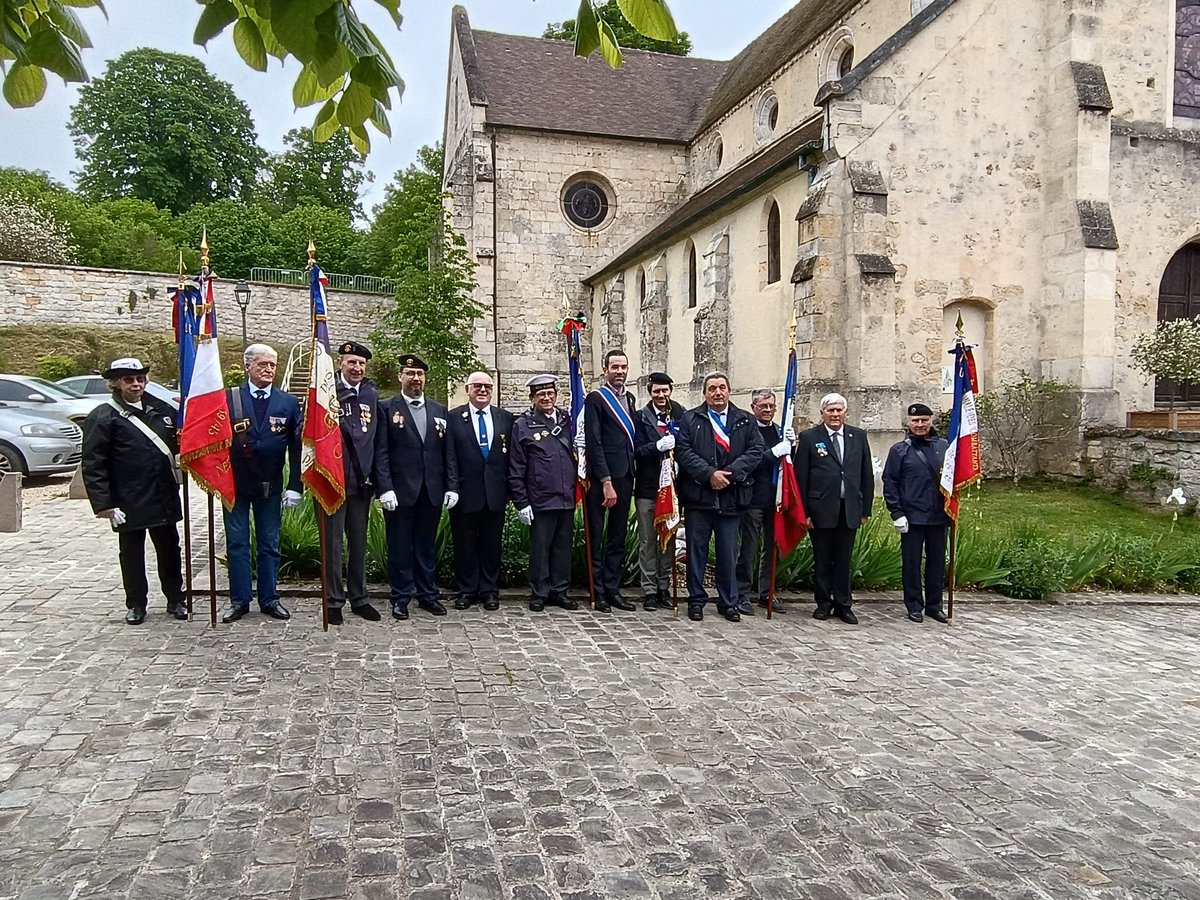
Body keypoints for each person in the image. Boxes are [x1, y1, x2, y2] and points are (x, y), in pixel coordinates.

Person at [81, 357, 186, 625]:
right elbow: (94, 464)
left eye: (140, 378)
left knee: (170, 551)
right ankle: (136, 603)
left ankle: (176, 599)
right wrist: (104, 504)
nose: (136, 384)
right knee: (131, 555)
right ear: (115, 383)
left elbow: (178, 443)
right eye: (129, 380)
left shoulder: (161, 409)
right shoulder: (103, 416)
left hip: (162, 493)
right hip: (127, 499)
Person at [222, 343, 303, 623]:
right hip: (235, 485)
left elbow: (297, 447)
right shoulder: (229, 399)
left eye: (272, 365)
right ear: (248, 367)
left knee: (269, 542)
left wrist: (295, 485)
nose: (268, 369)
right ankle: (239, 600)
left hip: (270, 484)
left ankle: (269, 598)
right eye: (262, 365)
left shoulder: (287, 402)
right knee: (237, 543)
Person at [675, 372, 765, 622]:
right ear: (705, 393)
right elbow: (684, 451)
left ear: (729, 391)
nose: (717, 392)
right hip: (699, 497)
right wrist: (709, 474)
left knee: (728, 554)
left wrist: (731, 474)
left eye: (722, 388)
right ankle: (696, 600)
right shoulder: (691, 418)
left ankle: (728, 602)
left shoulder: (745, 420)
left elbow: (756, 450)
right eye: (712, 388)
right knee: (697, 553)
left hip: (732, 497)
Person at [375, 354, 459, 621]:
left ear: (425, 378)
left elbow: (448, 453)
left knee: (425, 545)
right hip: (400, 492)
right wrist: (384, 487)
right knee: (399, 545)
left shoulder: (439, 410)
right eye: (410, 374)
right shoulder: (386, 408)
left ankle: (427, 595)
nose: (415, 379)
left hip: (431, 490)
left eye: (420, 374)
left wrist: (452, 486)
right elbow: (381, 452)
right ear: (401, 377)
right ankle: (400, 597)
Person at [793, 392, 874, 624]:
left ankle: (843, 604)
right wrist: (805, 512)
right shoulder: (809, 437)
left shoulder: (858, 436)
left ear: (846, 413)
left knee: (843, 558)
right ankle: (823, 603)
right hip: (820, 509)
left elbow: (865, 474)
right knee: (822, 557)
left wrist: (865, 508)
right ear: (822, 414)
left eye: (839, 410)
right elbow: (801, 478)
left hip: (849, 509)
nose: (835, 414)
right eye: (830, 410)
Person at [320, 340, 383, 626]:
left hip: (361, 482)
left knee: (358, 543)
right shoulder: (325, 390)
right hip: (332, 481)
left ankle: (359, 598)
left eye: (361, 364)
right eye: (352, 363)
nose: (357, 368)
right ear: (341, 363)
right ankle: (333, 601)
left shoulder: (371, 392)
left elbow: (376, 440)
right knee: (333, 544)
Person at [509, 374, 579, 613]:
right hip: (540, 498)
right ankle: (539, 592)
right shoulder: (523, 424)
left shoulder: (568, 420)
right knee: (540, 548)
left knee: (562, 547)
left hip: (566, 496)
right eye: (541, 395)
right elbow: (516, 467)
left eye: (550, 394)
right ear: (532, 398)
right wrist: (521, 502)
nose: (547, 398)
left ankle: (560, 591)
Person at [447, 371, 513, 612]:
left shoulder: (505, 418)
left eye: (487, 386)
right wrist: (452, 487)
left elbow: (510, 458)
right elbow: (450, 456)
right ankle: (466, 590)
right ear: (468, 389)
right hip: (465, 492)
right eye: (477, 386)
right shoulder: (453, 417)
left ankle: (489, 590)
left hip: (495, 492)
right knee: (464, 544)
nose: (482, 390)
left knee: (491, 544)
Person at [882, 403, 951, 624]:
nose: (920, 425)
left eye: (924, 420)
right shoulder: (899, 450)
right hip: (912, 517)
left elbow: (952, 479)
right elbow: (890, 482)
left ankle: (934, 605)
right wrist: (896, 513)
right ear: (909, 423)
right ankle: (914, 605)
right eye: (915, 421)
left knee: (936, 563)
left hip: (939, 516)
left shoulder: (944, 447)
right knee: (911, 564)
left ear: (931, 421)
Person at [583, 350, 638, 612]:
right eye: (614, 366)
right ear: (605, 369)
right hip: (601, 479)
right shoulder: (596, 398)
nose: (619, 371)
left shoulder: (630, 398)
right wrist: (605, 480)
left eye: (623, 367)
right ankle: (598, 591)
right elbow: (594, 441)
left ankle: (613, 588)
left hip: (626, 475)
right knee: (596, 534)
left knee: (617, 535)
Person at [736, 388, 793, 616]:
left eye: (771, 406)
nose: (768, 410)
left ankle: (766, 592)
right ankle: (742, 593)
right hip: (753, 498)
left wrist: (791, 446)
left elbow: (787, 465)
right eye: (763, 406)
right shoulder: (747, 431)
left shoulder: (779, 431)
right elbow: (748, 461)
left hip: (776, 499)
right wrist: (772, 453)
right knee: (749, 547)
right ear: (753, 408)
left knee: (772, 548)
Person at [632, 372, 684, 611]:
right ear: (650, 392)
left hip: (672, 489)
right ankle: (649, 589)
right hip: (648, 487)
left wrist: (678, 460)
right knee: (647, 542)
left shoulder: (681, 413)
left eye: (665, 391)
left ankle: (664, 587)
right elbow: (637, 451)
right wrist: (656, 447)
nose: (661, 395)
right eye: (656, 391)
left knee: (669, 539)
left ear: (670, 390)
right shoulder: (641, 417)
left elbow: (689, 445)